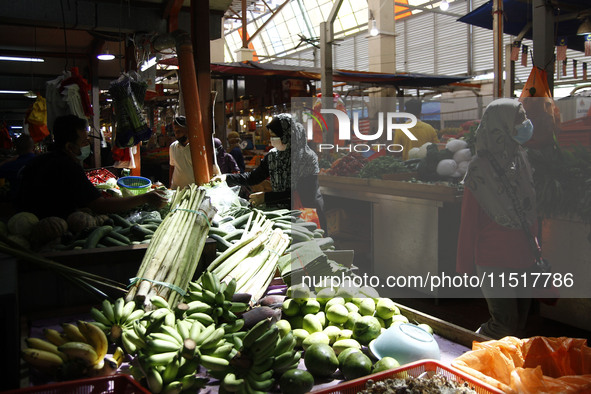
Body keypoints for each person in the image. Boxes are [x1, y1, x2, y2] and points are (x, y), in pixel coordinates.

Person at [456, 98, 537, 339]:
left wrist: (536, 246)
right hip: (493, 258)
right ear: (501, 125)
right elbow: (468, 223)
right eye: (519, 119)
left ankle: (504, 372)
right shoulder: (479, 169)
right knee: (504, 323)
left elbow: (531, 208)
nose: (525, 124)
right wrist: (464, 267)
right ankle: (469, 356)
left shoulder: (520, 158)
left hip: (524, 254)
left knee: (520, 325)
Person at [17, 115, 167, 219]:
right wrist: (145, 197)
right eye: (83, 142)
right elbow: (100, 205)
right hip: (51, 230)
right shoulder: (68, 167)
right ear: (69, 146)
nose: (86, 145)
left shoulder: (38, 161)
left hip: (29, 225)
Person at [214, 113, 327, 230]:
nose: (271, 140)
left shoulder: (307, 158)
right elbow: (253, 177)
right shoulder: (273, 156)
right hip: (283, 214)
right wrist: (226, 177)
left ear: (286, 136)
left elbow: (302, 192)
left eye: (274, 136)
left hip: (308, 213)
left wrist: (266, 197)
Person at [0, 134, 35, 201]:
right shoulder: (42, 161)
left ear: (16, 148)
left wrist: (8, 160)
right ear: (33, 147)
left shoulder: (12, 165)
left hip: (18, 204)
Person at [168, 116, 195, 189]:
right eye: (175, 131)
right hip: (176, 189)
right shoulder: (173, 147)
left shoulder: (195, 148)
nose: (176, 134)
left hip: (192, 190)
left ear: (187, 130)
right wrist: (170, 185)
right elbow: (172, 167)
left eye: (179, 131)